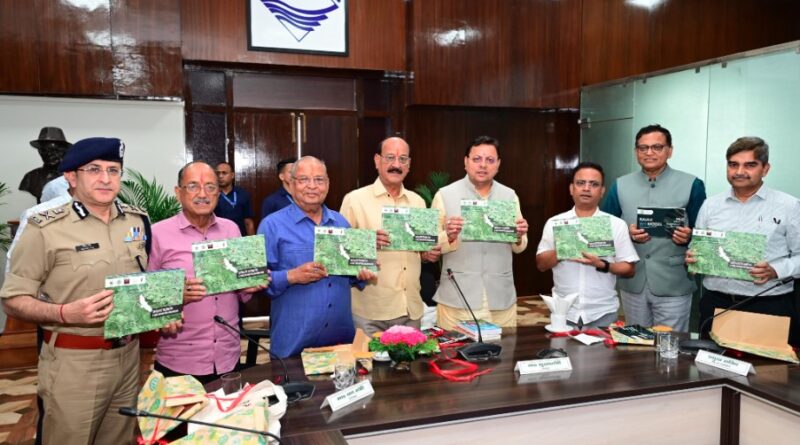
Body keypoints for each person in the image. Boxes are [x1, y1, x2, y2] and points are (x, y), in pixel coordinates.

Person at [1, 137, 150, 445]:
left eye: (113, 170)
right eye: (94, 169)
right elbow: (12, 300)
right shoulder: (44, 228)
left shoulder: (136, 220)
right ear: (71, 176)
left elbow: (141, 281)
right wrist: (64, 312)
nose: (106, 178)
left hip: (128, 357)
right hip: (75, 362)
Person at [149, 161, 265, 384]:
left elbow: (242, 291)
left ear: (218, 193)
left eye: (210, 187)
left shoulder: (231, 229)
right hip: (180, 361)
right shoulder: (158, 234)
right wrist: (174, 296)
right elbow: (142, 298)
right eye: (193, 186)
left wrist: (251, 283)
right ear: (178, 193)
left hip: (228, 357)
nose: (202, 194)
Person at [258, 156, 376, 358]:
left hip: (340, 341)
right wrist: (291, 276)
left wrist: (362, 272)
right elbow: (257, 281)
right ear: (291, 184)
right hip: (293, 343)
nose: (312, 186)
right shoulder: (272, 225)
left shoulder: (341, 223)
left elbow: (351, 273)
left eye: (319, 180)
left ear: (327, 184)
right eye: (304, 179)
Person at [686, 137, 800, 345]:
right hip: (717, 303)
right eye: (733, 164)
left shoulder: (789, 206)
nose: (739, 171)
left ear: (765, 169)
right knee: (711, 363)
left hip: (768, 304)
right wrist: (694, 258)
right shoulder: (711, 205)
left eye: (750, 165)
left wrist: (775, 270)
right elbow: (697, 247)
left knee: (765, 365)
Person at [602, 124, 706, 331]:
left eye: (657, 147)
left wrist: (689, 237)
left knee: (670, 344)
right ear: (636, 152)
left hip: (674, 282)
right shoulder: (620, 185)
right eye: (643, 148)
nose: (649, 153)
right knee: (635, 342)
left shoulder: (692, 184)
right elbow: (605, 229)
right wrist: (627, 234)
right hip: (633, 281)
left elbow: (704, 234)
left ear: (670, 151)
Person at [340, 137, 442, 335]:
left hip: (410, 309)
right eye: (390, 158)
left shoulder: (418, 202)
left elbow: (420, 252)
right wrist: (367, 242)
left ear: (409, 165)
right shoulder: (355, 200)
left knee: (411, 357)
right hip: (370, 313)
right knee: (368, 357)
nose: (396, 165)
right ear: (377, 161)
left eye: (403, 159)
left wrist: (427, 255)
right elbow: (339, 253)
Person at [432, 136, 529, 330]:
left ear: (498, 164)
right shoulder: (445, 194)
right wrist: (448, 236)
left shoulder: (509, 196)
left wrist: (519, 235)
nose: (483, 165)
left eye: (490, 160)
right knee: (456, 350)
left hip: (500, 298)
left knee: (503, 348)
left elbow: (520, 246)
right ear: (466, 162)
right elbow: (428, 244)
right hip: (457, 299)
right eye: (477, 159)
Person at [537, 162, 639, 328]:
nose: (586, 188)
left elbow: (629, 269)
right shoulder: (555, 223)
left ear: (602, 191)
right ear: (571, 189)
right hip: (564, 312)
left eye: (594, 184)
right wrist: (565, 247)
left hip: (603, 313)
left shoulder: (616, 224)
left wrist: (602, 264)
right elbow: (541, 264)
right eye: (580, 183)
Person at [19, 127, 72, 203]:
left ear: (64, 151)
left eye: (54, 150)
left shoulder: (74, 175)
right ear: (39, 152)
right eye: (44, 150)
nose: (49, 154)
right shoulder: (30, 177)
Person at [213, 161, 255, 236]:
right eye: (218, 173)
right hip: (218, 238)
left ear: (232, 175)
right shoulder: (211, 195)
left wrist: (254, 243)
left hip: (239, 238)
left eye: (224, 173)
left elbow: (248, 223)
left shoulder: (243, 194)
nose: (220, 176)